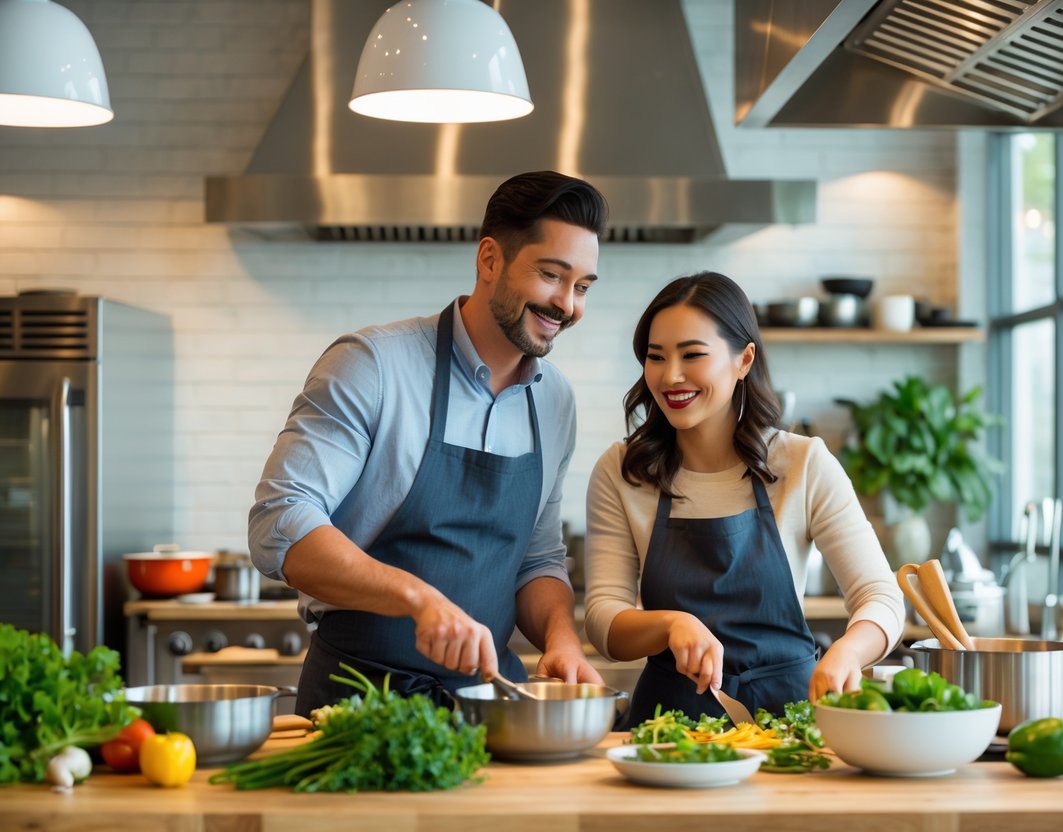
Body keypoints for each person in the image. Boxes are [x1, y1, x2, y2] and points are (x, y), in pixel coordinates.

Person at [249, 171, 609, 716]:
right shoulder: (372, 364)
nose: (567, 304)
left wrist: (561, 638)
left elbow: (538, 558)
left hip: (490, 707)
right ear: (490, 260)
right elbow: (279, 523)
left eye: (582, 286)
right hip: (358, 702)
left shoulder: (554, 401)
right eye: (551, 275)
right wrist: (417, 600)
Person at [583, 271, 904, 727]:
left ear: (744, 359)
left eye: (692, 355)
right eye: (656, 357)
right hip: (670, 731)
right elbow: (603, 619)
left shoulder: (803, 464)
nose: (670, 376)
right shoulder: (623, 471)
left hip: (790, 727)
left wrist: (848, 651)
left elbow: (881, 596)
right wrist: (670, 625)